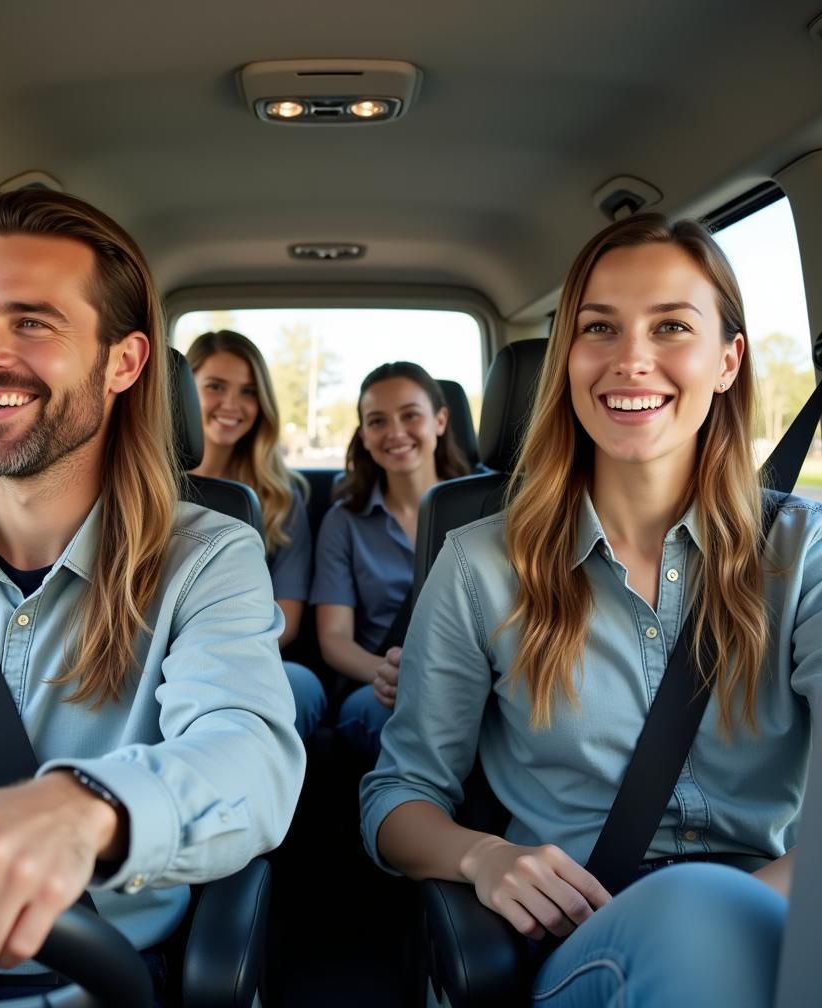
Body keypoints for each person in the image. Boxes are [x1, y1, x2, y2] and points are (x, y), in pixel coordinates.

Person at [0, 190, 304, 1004]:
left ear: (124, 362)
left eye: (32, 321)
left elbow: (248, 753)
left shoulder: (207, 560)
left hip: (79, 979)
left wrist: (85, 808)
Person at [361, 214, 821, 1007]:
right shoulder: (479, 565)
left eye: (672, 326)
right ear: (568, 362)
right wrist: (482, 857)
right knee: (697, 921)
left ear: (727, 361)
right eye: (598, 328)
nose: (631, 359)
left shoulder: (804, 551)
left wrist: (771, 916)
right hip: (583, 947)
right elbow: (396, 797)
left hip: (783, 921)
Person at [311, 362, 470, 760]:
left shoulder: (487, 505)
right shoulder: (344, 521)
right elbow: (334, 640)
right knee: (407, 724)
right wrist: (394, 676)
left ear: (440, 420)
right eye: (378, 421)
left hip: (473, 677)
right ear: (364, 436)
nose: (396, 433)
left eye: (410, 415)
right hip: (380, 685)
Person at [185, 330, 326, 740]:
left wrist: (207, 664)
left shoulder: (282, 497)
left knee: (300, 684)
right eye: (215, 387)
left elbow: (288, 619)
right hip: (143, 658)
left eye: (248, 392)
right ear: (182, 392)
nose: (232, 405)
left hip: (245, 657)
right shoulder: (136, 482)